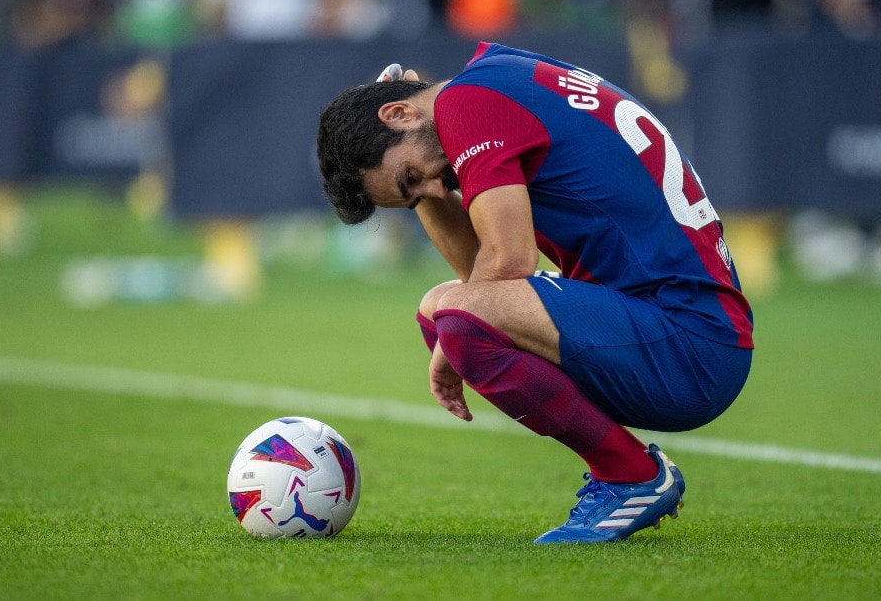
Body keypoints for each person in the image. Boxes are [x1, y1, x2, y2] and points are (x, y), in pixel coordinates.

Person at [316, 43, 754, 544]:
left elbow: (508, 264)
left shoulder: (467, 104)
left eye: (412, 178)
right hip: (677, 330)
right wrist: (419, 175)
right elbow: (478, 272)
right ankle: (628, 472)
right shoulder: (492, 77)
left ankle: (630, 477)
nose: (436, 193)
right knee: (449, 314)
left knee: (454, 317)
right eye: (413, 197)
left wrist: (451, 339)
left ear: (398, 113)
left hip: (688, 345)